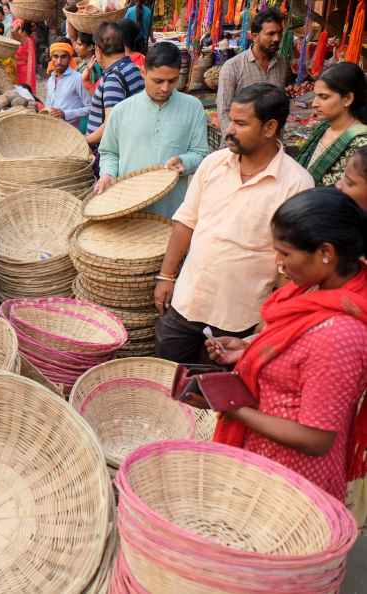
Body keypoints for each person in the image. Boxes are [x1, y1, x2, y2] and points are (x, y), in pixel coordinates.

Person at [202, 188, 367, 503]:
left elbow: (316, 438)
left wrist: (235, 411)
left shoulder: (339, 336)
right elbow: (296, 351)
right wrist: (249, 347)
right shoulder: (318, 290)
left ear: (326, 253)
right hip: (265, 458)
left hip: (292, 480)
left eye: (285, 253)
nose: (278, 264)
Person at [154, 83, 314, 363]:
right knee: (168, 384)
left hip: (237, 319)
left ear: (269, 127)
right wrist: (166, 276)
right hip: (186, 302)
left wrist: (267, 323)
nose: (228, 129)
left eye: (241, 123)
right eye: (231, 120)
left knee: (212, 398)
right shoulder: (214, 164)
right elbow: (186, 221)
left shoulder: (296, 184)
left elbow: (288, 266)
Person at [95, 43, 209, 217]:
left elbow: (200, 153)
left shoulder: (193, 107)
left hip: (172, 208)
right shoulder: (121, 110)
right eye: (158, 81)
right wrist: (108, 174)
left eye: (172, 81)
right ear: (143, 73)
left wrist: (184, 162)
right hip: (128, 207)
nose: (165, 88)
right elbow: (109, 152)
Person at [216, 8, 288, 133]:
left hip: (270, 143)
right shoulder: (233, 67)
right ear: (254, 36)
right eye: (271, 34)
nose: (277, 39)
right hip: (242, 144)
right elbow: (224, 111)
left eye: (279, 33)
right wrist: (238, 142)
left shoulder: (281, 64)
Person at [295, 62, 367, 187]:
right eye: (315, 96)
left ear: (348, 99)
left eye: (323, 97)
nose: (314, 103)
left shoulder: (361, 143)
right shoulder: (323, 128)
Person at [85, 22, 144, 147]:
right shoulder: (131, 67)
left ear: (98, 49)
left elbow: (110, 124)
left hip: (108, 150)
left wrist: (86, 141)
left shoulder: (113, 78)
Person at [43, 38, 90, 129]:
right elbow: (48, 107)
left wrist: (65, 114)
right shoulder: (50, 80)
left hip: (71, 132)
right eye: (55, 57)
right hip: (52, 130)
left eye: (63, 57)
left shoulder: (77, 78)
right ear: (51, 58)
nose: (59, 61)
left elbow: (90, 107)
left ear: (69, 58)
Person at [74, 32, 103, 98]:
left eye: (79, 44)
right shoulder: (83, 63)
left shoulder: (93, 67)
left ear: (90, 47)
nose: (76, 47)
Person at [11, 19, 36, 95]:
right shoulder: (29, 39)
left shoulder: (24, 39)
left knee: (22, 91)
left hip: (21, 70)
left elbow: (13, 32)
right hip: (21, 68)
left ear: (22, 29)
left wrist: (19, 23)